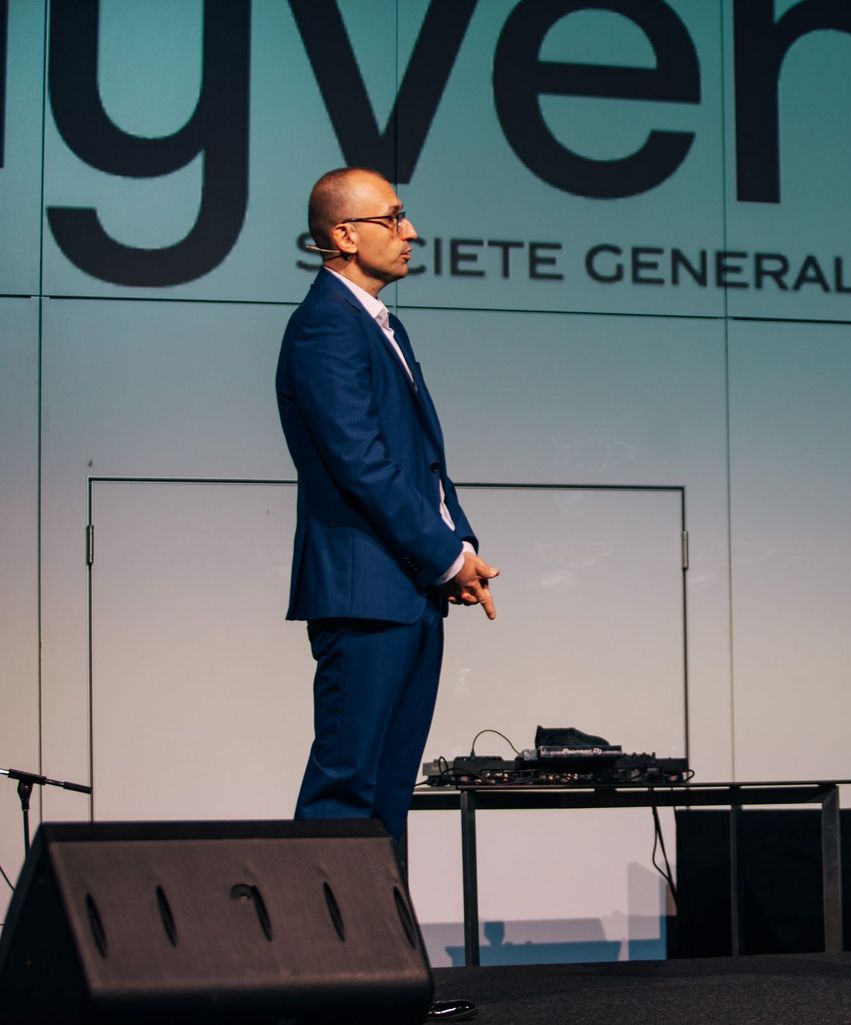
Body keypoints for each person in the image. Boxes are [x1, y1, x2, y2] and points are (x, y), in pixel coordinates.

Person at [276, 170, 496, 1023]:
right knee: (344, 792)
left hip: (407, 591)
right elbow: (362, 465)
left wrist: (459, 549)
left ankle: (380, 987)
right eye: (393, 217)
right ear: (342, 235)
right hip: (365, 591)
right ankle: (314, 988)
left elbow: (422, 463)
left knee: (386, 798)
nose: (411, 231)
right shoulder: (324, 327)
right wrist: (444, 556)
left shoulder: (381, 323)